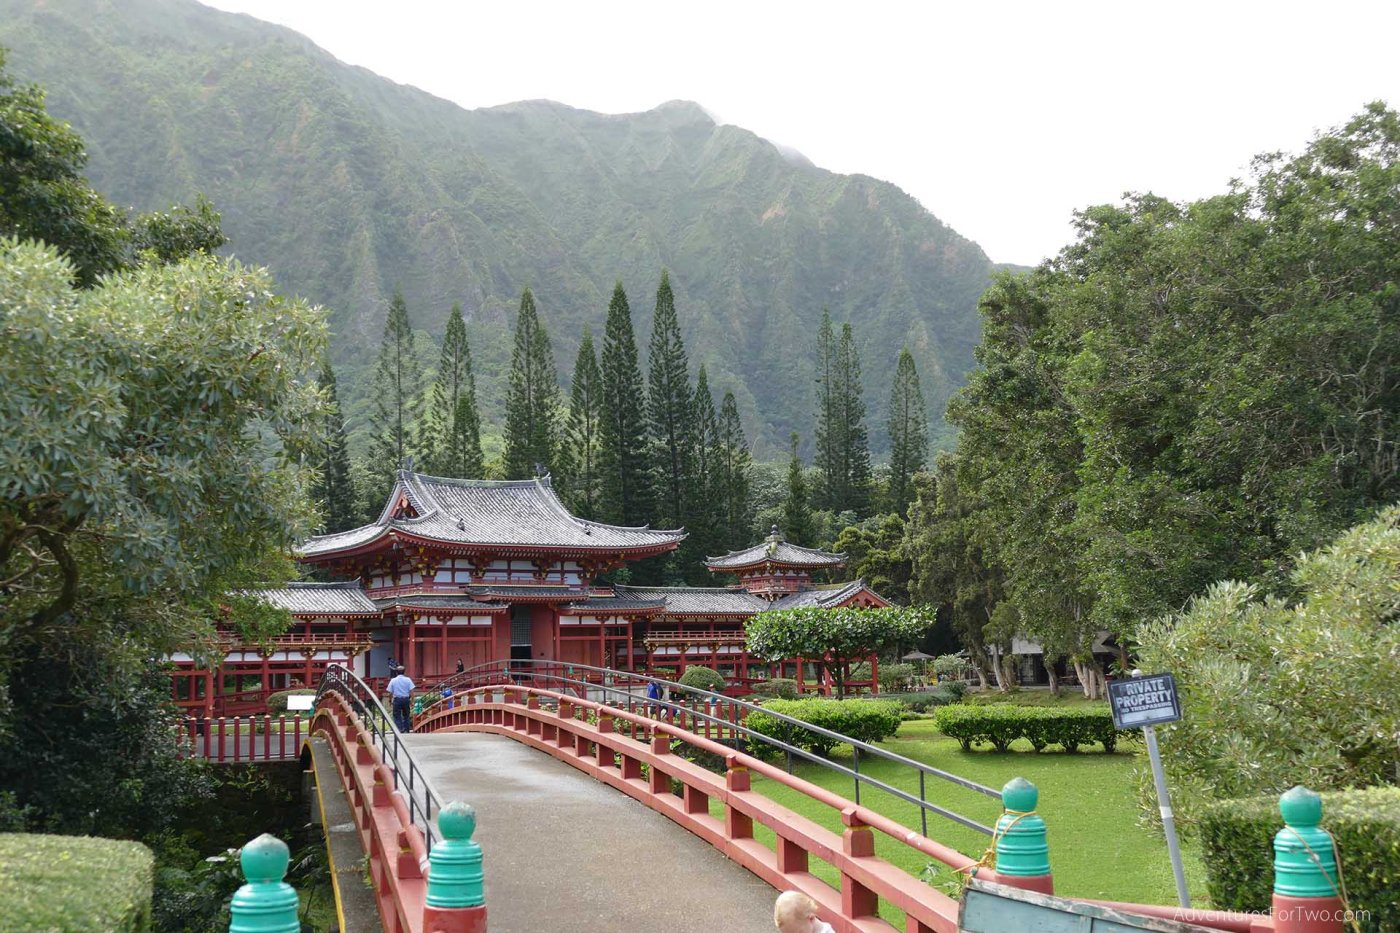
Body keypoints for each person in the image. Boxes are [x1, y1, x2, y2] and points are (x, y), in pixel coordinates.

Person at [388, 667, 414, 732]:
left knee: (397, 715)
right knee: (406, 715)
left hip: (397, 699)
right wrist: (412, 701)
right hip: (406, 699)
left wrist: (390, 700)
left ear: (396, 672)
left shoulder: (393, 680)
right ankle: (406, 729)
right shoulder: (408, 680)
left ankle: (399, 729)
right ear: (404, 672)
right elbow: (412, 692)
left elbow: (390, 692)